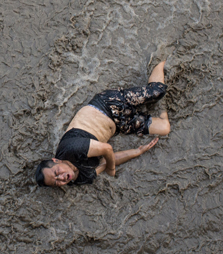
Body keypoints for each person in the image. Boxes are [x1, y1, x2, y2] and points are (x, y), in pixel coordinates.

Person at [34, 59, 171, 187]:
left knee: (157, 91)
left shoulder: (71, 149)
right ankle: (161, 105)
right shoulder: (78, 178)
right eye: (57, 182)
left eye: (57, 173)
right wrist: (137, 151)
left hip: (108, 105)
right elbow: (104, 162)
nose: (62, 178)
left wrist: (112, 170)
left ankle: (163, 60)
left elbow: (107, 150)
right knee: (164, 128)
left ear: (56, 160)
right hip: (119, 125)